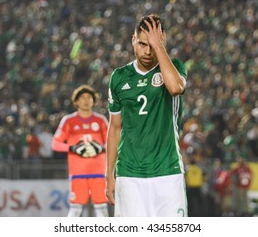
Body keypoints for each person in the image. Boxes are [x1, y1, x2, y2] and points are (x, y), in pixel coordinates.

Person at [106, 13, 188, 217]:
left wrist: (158, 46)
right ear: (133, 40)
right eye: (143, 44)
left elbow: (176, 88)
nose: (147, 51)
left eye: (152, 44)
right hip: (129, 174)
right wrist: (109, 175)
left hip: (167, 171)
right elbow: (115, 128)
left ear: (162, 40)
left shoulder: (174, 67)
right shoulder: (119, 77)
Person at [52, 85, 109, 217]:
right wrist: (72, 148)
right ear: (76, 101)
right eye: (82, 97)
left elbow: (112, 142)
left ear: (94, 101)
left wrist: (101, 147)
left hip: (99, 173)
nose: (86, 100)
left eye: (89, 97)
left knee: (101, 210)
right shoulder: (68, 121)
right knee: (75, 210)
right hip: (78, 173)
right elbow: (55, 144)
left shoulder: (101, 120)